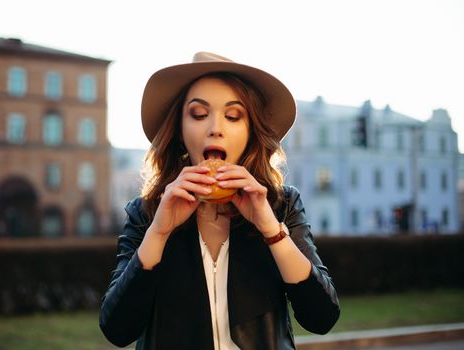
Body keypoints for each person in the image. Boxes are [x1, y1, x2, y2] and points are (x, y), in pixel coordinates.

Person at [100, 52, 340, 350]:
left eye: (233, 116)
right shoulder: (147, 211)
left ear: (251, 131)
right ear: (179, 131)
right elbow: (117, 330)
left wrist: (270, 229)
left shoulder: (280, 204)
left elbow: (322, 318)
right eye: (199, 114)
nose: (215, 128)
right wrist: (159, 232)